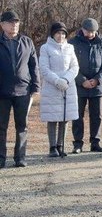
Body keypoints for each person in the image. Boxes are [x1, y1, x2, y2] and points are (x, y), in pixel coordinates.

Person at [0, 10, 40, 168]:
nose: (14, 25)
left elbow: (33, 65)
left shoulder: (26, 42)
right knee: (1, 127)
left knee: (22, 125)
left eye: (16, 22)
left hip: (23, 91)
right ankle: (1, 158)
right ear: (2, 25)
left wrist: (36, 86)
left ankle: (20, 157)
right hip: (2, 92)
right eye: (10, 22)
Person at [70, 17, 102, 153]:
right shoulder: (73, 43)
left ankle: (95, 142)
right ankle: (78, 143)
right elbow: (70, 64)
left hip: (97, 85)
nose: (91, 34)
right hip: (79, 85)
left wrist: (97, 79)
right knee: (77, 115)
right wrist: (82, 80)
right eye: (89, 31)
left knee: (96, 115)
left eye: (94, 31)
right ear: (82, 30)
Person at [38, 22, 79, 158]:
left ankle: (61, 145)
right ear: (52, 34)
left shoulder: (70, 48)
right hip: (51, 86)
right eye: (58, 33)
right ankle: (52, 147)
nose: (60, 36)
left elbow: (75, 67)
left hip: (67, 87)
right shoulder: (45, 48)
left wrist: (66, 79)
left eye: (63, 33)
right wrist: (57, 80)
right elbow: (44, 68)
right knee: (52, 118)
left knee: (65, 117)